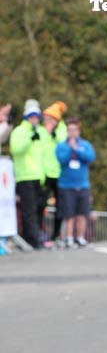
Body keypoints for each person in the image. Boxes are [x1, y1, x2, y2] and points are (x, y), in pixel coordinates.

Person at [9, 99, 48, 249]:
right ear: (27, 118)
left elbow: (44, 155)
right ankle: (32, 239)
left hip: (39, 176)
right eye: (32, 117)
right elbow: (16, 149)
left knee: (39, 209)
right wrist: (29, 139)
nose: (35, 120)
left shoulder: (40, 132)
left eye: (37, 117)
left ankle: (36, 236)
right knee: (28, 210)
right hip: (25, 176)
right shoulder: (20, 131)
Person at [55, 117, 96, 247]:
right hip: (66, 186)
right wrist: (70, 149)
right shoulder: (61, 146)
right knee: (69, 215)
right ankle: (68, 238)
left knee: (82, 214)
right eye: (69, 130)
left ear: (78, 131)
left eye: (74, 130)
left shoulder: (85, 145)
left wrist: (77, 149)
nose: (72, 132)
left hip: (83, 185)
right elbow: (62, 160)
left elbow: (90, 157)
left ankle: (80, 237)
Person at [42, 101, 68, 246]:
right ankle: (42, 234)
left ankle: (56, 235)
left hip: (59, 174)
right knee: (41, 205)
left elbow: (62, 143)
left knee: (60, 206)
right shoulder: (42, 130)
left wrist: (53, 132)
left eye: (49, 118)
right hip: (45, 173)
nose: (46, 121)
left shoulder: (62, 130)